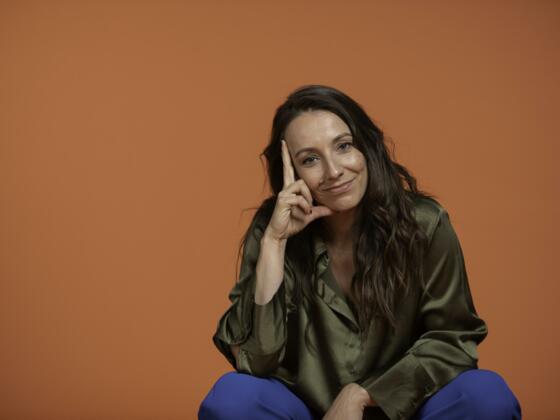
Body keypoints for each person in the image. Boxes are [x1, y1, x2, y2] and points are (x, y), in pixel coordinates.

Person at [198, 85, 522, 420]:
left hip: (406, 410)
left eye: (343, 146)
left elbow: (454, 339)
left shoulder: (425, 224)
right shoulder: (272, 229)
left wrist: (364, 394)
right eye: (310, 159)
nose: (334, 171)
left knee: (486, 395)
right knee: (233, 398)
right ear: (291, 172)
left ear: (366, 146)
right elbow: (256, 360)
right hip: (308, 413)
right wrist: (274, 243)